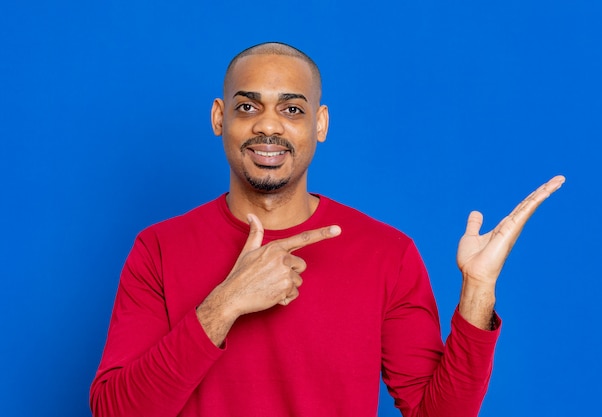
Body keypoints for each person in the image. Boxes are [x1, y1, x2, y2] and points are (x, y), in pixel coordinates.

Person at [89, 42, 565, 417]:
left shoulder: (387, 253)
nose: (268, 127)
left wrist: (478, 292)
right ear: (220, 118)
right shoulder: (158, 248)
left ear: (320, 123)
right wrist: (225, 303)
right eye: (248, 107)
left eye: (292, 110)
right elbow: (116, 411)